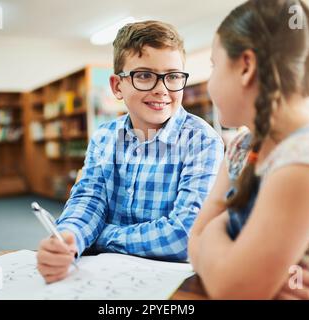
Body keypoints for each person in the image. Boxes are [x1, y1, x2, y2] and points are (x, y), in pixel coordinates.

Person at [188, 0, 309, 299]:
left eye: (213, 65)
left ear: (246, 66)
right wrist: (260, 274)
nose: (209, 83)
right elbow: (194, 240)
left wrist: (219, 237)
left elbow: (233, 288)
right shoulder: (241, 148)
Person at [36, 20, 224, 284]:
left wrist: (101, 237)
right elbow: (89, 200)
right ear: (117, 86)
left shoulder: (202, 140)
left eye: (172, 76)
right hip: (103, 276)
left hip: (171, 282)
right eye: (144, 75)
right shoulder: (104, 138)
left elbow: (185, 233)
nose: (161, 88)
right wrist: (69, 236)